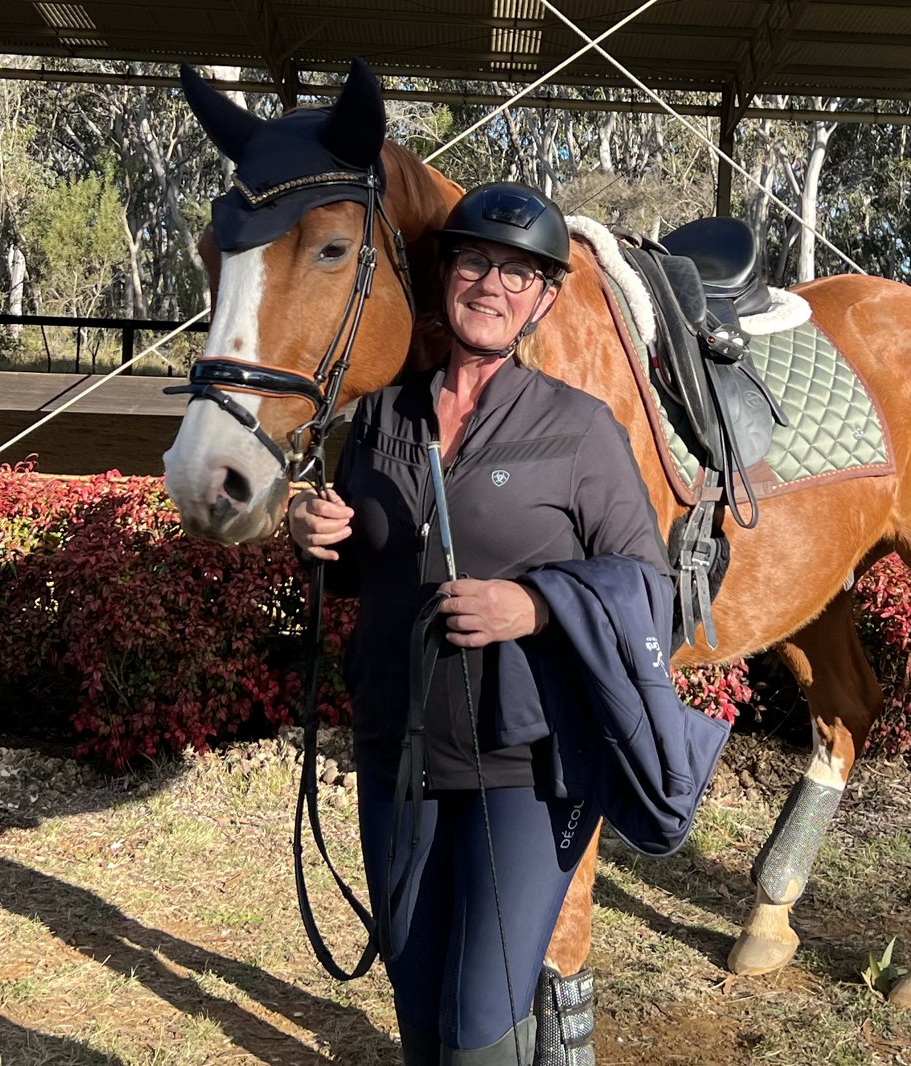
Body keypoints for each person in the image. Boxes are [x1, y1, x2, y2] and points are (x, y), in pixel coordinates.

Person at [287, 181, 670, 1066]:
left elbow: (653, 590)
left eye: (518, 272)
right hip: (397, 755)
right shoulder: (380, 417)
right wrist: (314, 536)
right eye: (473, 261)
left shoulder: (581, 432)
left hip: (526, 770)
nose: (491, 285)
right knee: (417, 1013)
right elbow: (363, 569)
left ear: (541, 299)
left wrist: (533, 605)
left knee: (478, 1027)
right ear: (444, 275)